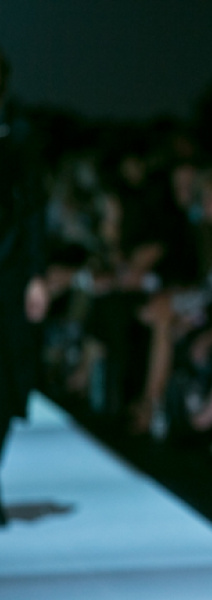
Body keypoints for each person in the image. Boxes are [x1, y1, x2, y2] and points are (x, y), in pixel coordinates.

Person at [0, 46, 49, 527]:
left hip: (10, 273)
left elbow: (33, 208)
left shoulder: (20, 134)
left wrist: (36, 275)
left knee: (7, 382)